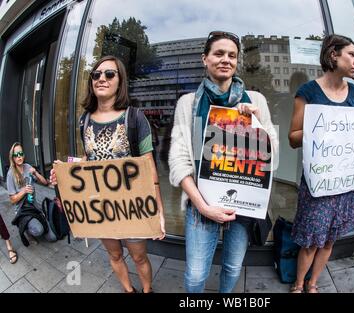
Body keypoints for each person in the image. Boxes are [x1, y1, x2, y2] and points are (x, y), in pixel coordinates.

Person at [168, 31, 278, 293]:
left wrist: (257, 122)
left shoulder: (256, 100)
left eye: (232, 55)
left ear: (237, 62)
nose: (226, 59)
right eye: (219, 53)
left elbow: (272, 159)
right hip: (201, 204)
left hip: (243, 205)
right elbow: (178, 159)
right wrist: (203, 207)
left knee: (232, 267)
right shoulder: (188, 103)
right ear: (204, 59)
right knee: (195, 276)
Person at [50, 55, 165, 293]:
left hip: (132, 206)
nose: (101, 78)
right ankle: (128, 290)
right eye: (96, 74)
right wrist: (65, 173)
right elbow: (88, 160)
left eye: (109, 74)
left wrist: (158, 212)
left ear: (119, 81)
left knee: (139, 257)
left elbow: (149, 167)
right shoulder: (85, 121)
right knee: (114, 254)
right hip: (101, 206)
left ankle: (146, 290)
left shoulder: (134, 117)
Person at [288, 34, 354, 293]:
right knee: (311, 241)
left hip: (345, 180)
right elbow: (293, 138)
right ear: (334, 55)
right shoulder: (308, 92)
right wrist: (322, 130)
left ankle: (313, 284)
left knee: (329, 240)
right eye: (352, 54)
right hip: (319, 181)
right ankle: (299, 284)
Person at [6, 142, 56, 246]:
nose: (19, 157)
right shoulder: (11, 174)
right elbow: (12, 200)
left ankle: (35, 222)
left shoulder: (28, 167)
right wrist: (24, 191)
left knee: (53, 238)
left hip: (34, 207)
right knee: (38, 230)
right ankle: (25, 228)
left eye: (21, 153)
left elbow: (45, 183)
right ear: (13, 157)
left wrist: (36, 172)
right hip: (23, 210)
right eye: (16, 155)